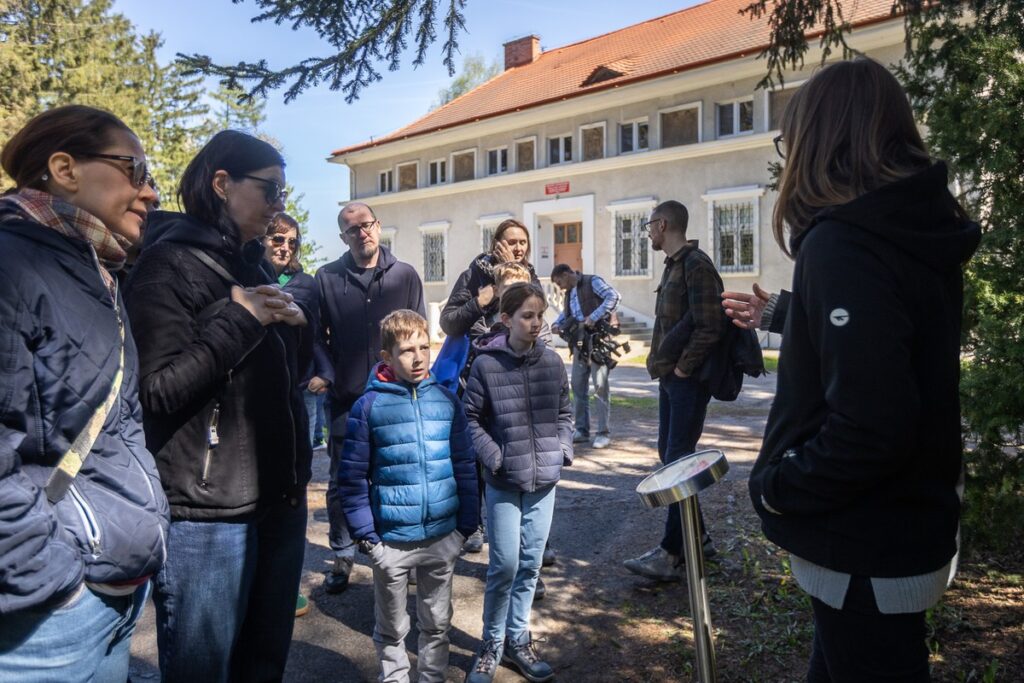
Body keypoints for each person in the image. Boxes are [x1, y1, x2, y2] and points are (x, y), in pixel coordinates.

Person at [740, 58, 980, 682]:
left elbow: (872, 424)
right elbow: (888, 342)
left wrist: (778, 486)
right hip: (904, 529)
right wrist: (788, 315)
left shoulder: (843, 242)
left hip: (862, 546)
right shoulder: (913, 232)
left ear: (819, 140)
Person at [125, 130, 311, 682]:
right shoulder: (167, 264)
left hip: (278, 498)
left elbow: (268, 386)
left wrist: (291, 332)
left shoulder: (251, 267)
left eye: (284, 193)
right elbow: (156, 390)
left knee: (262, 667)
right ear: (222, 184)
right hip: (208, 519)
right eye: (271, 191)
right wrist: (242, 319)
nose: (281, 208)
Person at [0, 105, 168, 681]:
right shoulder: (12, 262)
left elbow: (118, 427)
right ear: (65, 169)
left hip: (114, 594)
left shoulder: (101, 272)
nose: (149, 193)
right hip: (47, 620)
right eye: (135, 169)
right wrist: (53, 583)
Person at [337, 310, 478, 683]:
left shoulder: (447, 402)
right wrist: (369, 540)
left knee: (436, 624)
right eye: (405, 351)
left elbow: (465, 465)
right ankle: (394, 678)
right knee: (392, 628)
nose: (417, 358)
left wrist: (463, 529)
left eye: (423, 347)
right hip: (391, 544)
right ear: (386, 357)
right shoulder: (368, 407)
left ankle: (431, 678)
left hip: (441, 538)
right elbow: (351, 478)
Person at [311, 201, 425, 594]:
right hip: (345, 400)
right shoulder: (326, 278)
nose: (362, 233)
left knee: (396, 475)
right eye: (352, 230)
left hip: (396, 397)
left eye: (367, 225)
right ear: (343, 237)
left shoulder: (405, 276)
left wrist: (416, 383)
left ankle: (398, 551)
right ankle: (342, 555)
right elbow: (315, 337)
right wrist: (327, 373)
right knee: (344, 479)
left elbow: (418, 337)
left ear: (378, 225)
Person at [462, 283, 573, 683]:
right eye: (527, 315)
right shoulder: (485, 365)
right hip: (504, 482)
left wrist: (561, 450)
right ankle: (490, 644)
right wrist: (496, 457)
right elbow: (470, 420)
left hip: (545, 479)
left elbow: (565, 411)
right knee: (504, 564)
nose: (536, 323)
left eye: (540, 315)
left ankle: (517, 639)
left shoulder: (552, 362)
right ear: (505, 319)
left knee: (529, 564)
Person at [623, 200, 724, 582]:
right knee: (670, 454)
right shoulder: (675, 265)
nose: (648, 232)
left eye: (649, 225)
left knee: (677, 462)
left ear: (662, 224)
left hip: (686, 380)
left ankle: (670, 554)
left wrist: (684, 368)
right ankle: (700, 539)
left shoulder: (697, 266)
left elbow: (710, 326)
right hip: (671, 378)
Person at [263, 211, 319, 619]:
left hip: (294, 396)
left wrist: (322, 375)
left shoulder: (304, 284)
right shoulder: (242, 272)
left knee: (294, 486)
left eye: (292, 242)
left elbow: (316, 335)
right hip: (251, 402)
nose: (285, 247)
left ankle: (288, 584)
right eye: (277, 238)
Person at [550, 263, 621, 450]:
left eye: (559, 282)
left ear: (566, 274)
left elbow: (614, 296)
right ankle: (581, 431)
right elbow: (568, 315)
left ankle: (603, 433)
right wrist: (557, 325)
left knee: (600, 387)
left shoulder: (592, 281)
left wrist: (594, 316)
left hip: (598, 343)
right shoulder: (569, 294)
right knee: (578, 387)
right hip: (580, 345)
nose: (560, 287)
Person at [440, 218, 544, 341]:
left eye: (523, 242)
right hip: (482, 350)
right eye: (512, 242)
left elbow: (538, 308)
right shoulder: (474, 275)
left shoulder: (530, 276)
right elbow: (448, 323)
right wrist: (478, 303)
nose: (518, 248)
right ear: (497, 244)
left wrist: (511, 268)